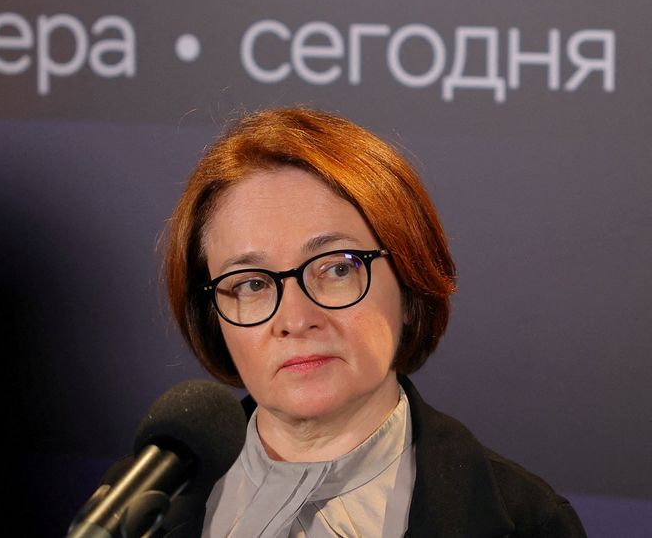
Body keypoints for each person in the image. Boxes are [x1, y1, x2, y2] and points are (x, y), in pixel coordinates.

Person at [163, 107, 586, 537]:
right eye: (252, 284)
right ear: (213, 316)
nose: (295, 319)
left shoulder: (530, 522)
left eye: (337, 269)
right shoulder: (146, 508)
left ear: (409, 282)